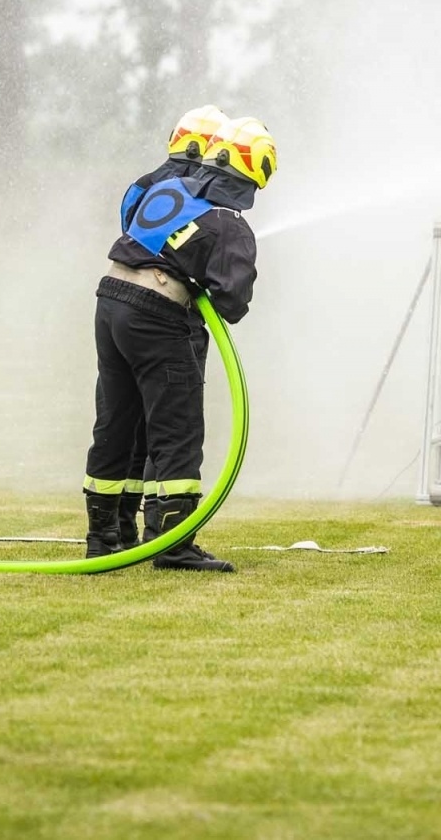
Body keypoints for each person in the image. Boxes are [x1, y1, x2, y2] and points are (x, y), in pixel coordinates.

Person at [82, 112, 277, 572]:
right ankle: (171, 545)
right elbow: (231, 302)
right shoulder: (228, 222)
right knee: (176, 430)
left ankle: (106, 538)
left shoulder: (168, 190)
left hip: (111, 301)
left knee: (117, 422)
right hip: (157, 318)